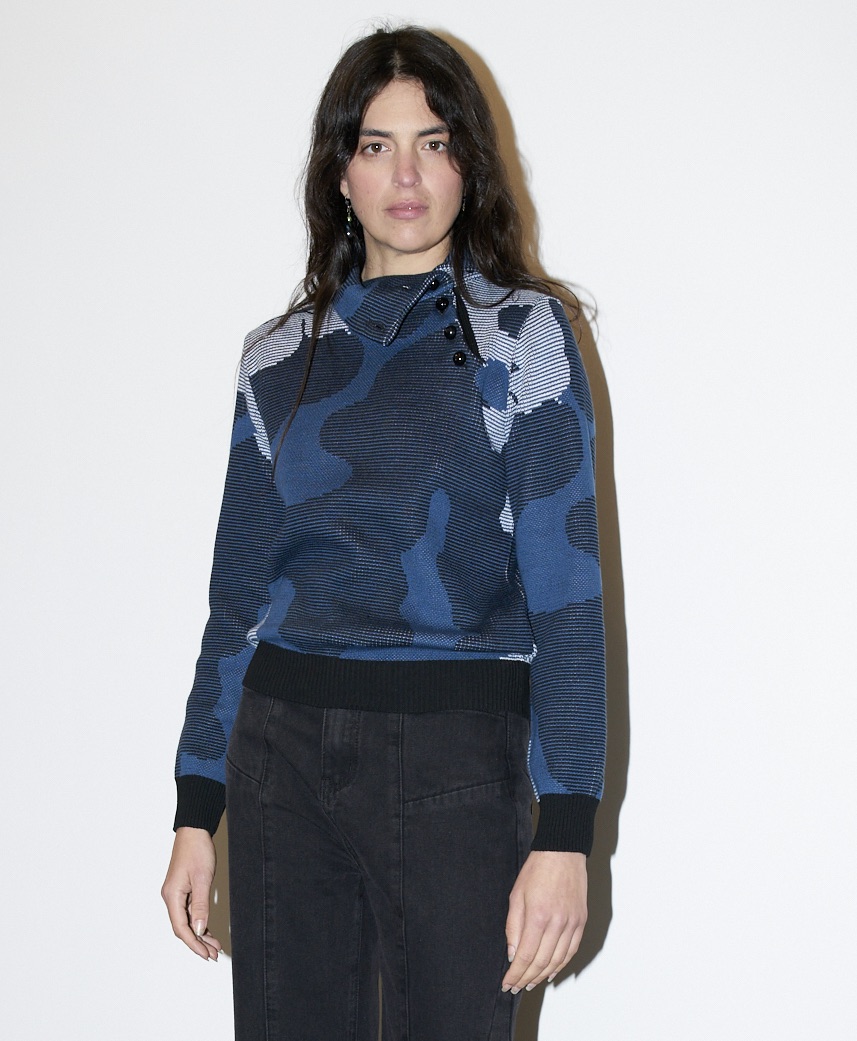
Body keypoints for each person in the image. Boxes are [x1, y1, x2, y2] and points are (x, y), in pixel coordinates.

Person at [161, 24, 606, 1041]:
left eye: (432, 143)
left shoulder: (522, 336)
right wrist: (196, 806)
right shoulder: (276, 355)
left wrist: (565, 829)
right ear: (340, 174)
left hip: (454, 758)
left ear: (467, 167)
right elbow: (237, 595)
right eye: (375, 145)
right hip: (279, 754)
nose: (405, 175)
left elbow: (567, 597)